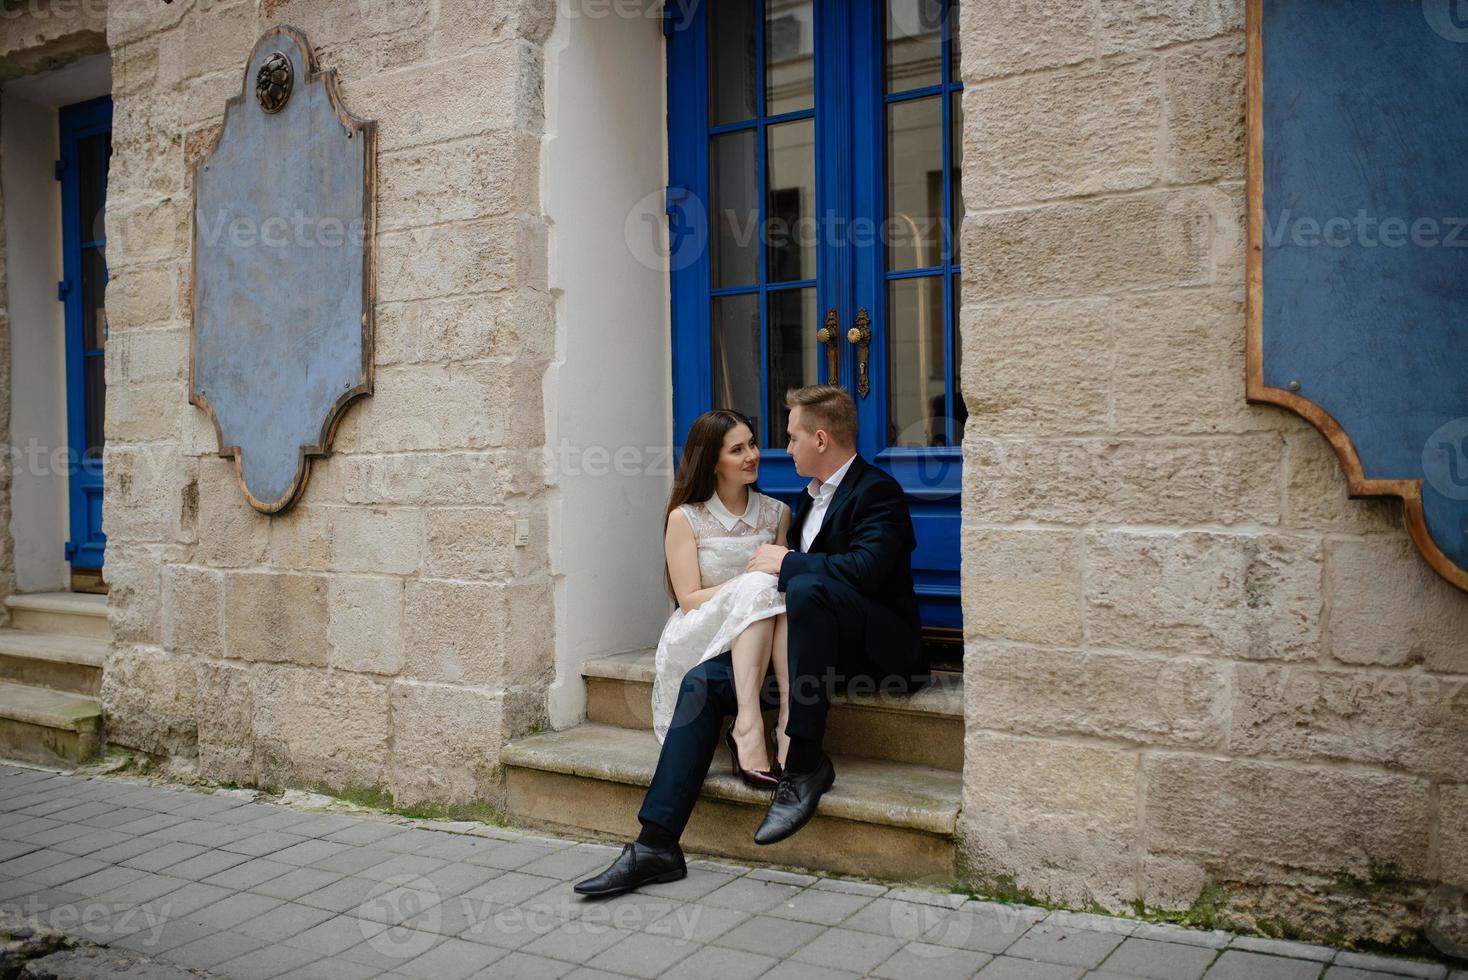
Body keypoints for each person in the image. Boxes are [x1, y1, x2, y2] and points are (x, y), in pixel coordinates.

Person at [575, 384, 928, 897]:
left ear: (821, 439)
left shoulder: (877, 491)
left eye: (791, 437)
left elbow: (867, 571)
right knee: (699, 683)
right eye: (748, 445)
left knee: (797, 582)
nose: (781, 449)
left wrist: (788, 563)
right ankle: (656, 843)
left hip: (867, 653)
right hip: (795, 653)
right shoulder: (805, 503)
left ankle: (803, 762)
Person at [648, 409, 793, 785]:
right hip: (703, 624)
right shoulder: (686, 518)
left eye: (753, 444)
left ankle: (788, 719)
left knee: (782, 592)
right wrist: (747, 585)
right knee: (763, 584)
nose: (752, 455)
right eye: (737, 450)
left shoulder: (778, 514)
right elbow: (689, 598)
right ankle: (748, 723)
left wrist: (758, 585)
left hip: (767, 630)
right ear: (712, 461)